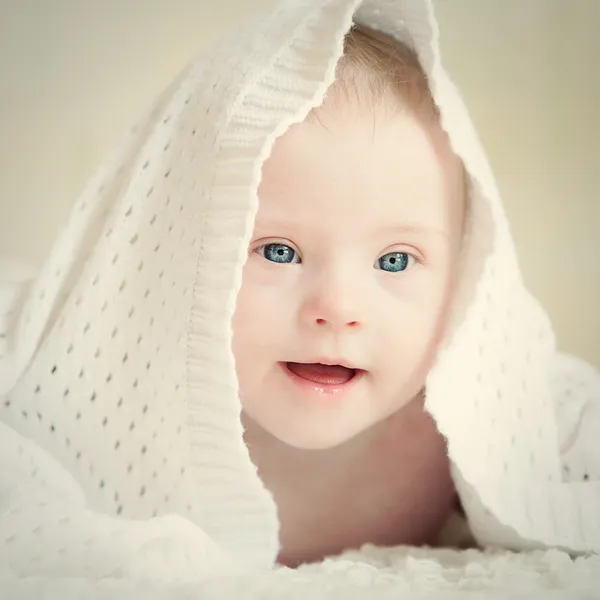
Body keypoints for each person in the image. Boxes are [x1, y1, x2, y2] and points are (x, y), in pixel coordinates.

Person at [0, 0, 598, 585]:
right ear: (182, 253)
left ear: (467, 275)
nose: (337, 309)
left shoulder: (475, 411)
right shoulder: (93, 378)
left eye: (394, 260)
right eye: (278, 251)